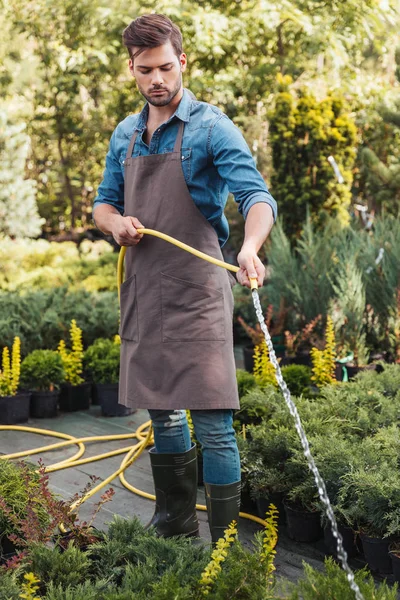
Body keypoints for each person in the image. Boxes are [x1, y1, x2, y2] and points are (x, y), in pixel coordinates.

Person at [93, 13, 277, 544]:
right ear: (131, 67)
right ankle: (173, 522)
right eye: (146, 69)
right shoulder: (125, 134)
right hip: (145, 292)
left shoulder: (211, 127)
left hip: (197, 295)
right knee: (165, 417)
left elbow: (256, 198)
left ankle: (223, 548)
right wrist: (116, 225)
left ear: (183, 62)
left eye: (166, 68)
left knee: (215, 425)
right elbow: (103, 204)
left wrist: (248, 247)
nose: (157, 79)